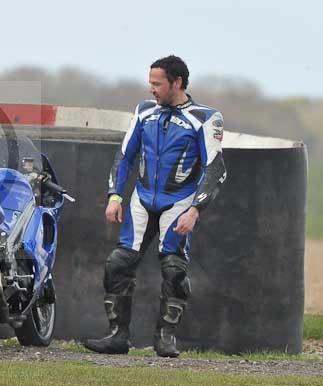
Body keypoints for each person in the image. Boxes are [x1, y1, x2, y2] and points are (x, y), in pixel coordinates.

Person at [83, 55, 226, 357]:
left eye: (157, 84)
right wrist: (115, 195)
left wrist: (195, 210)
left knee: (174, 269)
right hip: (142, 200)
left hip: (179, 202)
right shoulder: (144, 111)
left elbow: (215, 169)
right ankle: (118, 336)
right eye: (150, 83)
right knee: (117, 264)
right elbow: (125, 156)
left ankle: (165, 337)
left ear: (177, 83)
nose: (151, 89)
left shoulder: (206, 117)